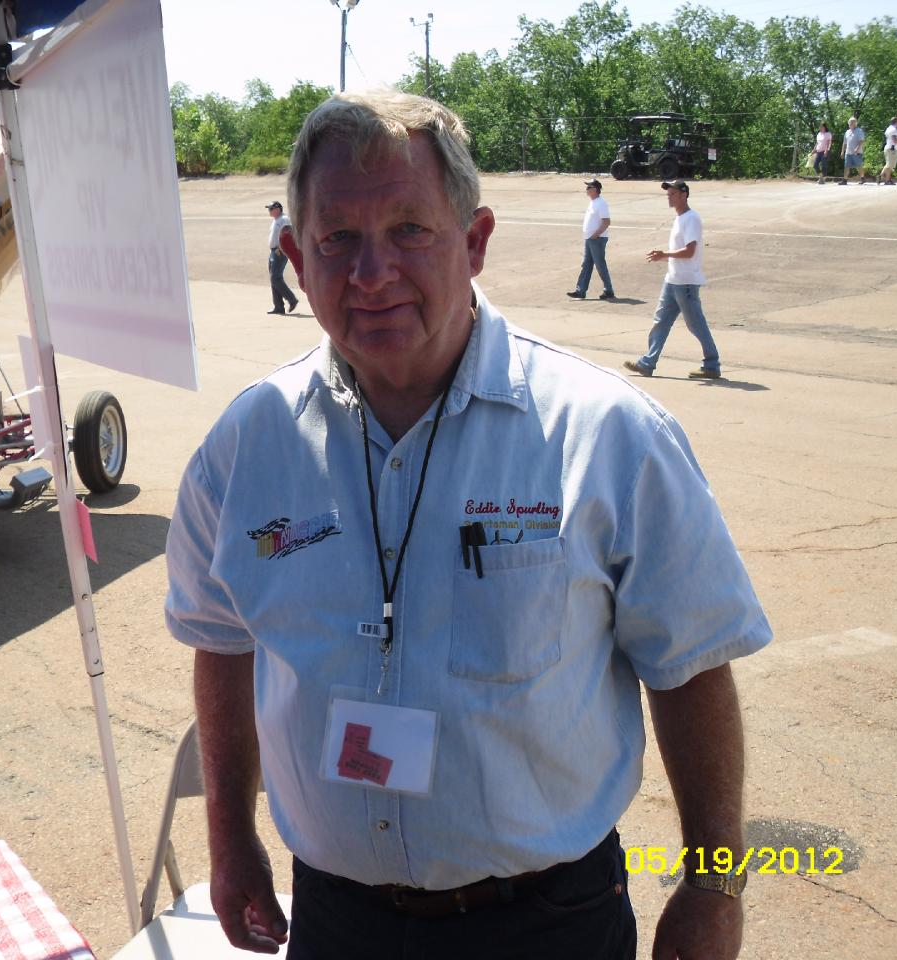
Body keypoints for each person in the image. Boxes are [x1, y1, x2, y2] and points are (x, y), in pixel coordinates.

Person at [165, 91, 770, 960]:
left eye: (409, 230)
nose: (372, 271)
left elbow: (693, 666)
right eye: (337, 239)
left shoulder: (607, 435)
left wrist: (714, 886)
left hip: (548, 922)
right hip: (338, 921)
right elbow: (222, 641)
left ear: (475, 241)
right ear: (296, 257)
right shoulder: (246, 447)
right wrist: (230, 842)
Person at [624, 180, 721, 380]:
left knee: (696, 324)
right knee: (660, 322)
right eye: (668, 194)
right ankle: (647, 363)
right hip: (673, 280)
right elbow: (682, 252)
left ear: (684, 195)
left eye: (673, 194)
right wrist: (663, 257)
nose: (669, 197)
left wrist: (665, 254)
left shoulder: (691, 218)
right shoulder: (679, 218)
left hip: (686, 282)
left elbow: (690, 251)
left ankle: (712, 365)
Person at [566, 179, 615, 301]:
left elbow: (606, 222)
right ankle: (580, 291)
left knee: (600, 265)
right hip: (590, 239)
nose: (586, 189)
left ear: (595, 189)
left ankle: (608, 291)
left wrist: (596, 235)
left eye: (589, 187)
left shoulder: (601, 203)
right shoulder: (593, 202)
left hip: (597, 239)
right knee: (586, 264)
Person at [265, 201, 298, 315]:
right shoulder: (277, 220)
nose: (269, 211)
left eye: (271, 209)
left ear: (278, 209)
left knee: (275, 278)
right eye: (269, 209)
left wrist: (280, 248)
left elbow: (288, 235)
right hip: (274, 251)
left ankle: (292, 300)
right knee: (273, 278)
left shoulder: (284, 220)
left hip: (280, 251)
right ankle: (278, 306)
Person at [880, 116, 897, 185]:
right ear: (896, 122)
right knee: (890, 165)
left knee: (889, 165)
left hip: (889, 148)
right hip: (891, 149)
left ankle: (887, 180)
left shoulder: (889, 128)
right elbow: (895, 141)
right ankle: (881, 176)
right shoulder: (894, 130)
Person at [839, 117, 865, 185]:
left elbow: (861, 140)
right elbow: (844, 143)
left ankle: (862, 178)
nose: (851, 123)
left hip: (857, 152)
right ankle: (845, 180)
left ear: (856, 123)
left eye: (853, 122)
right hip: (848, 152)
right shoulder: (847, 132)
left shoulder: (859, 131)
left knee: (859, 166)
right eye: (850, 122)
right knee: (846, 166)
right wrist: (842, 151)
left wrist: (857, 148)